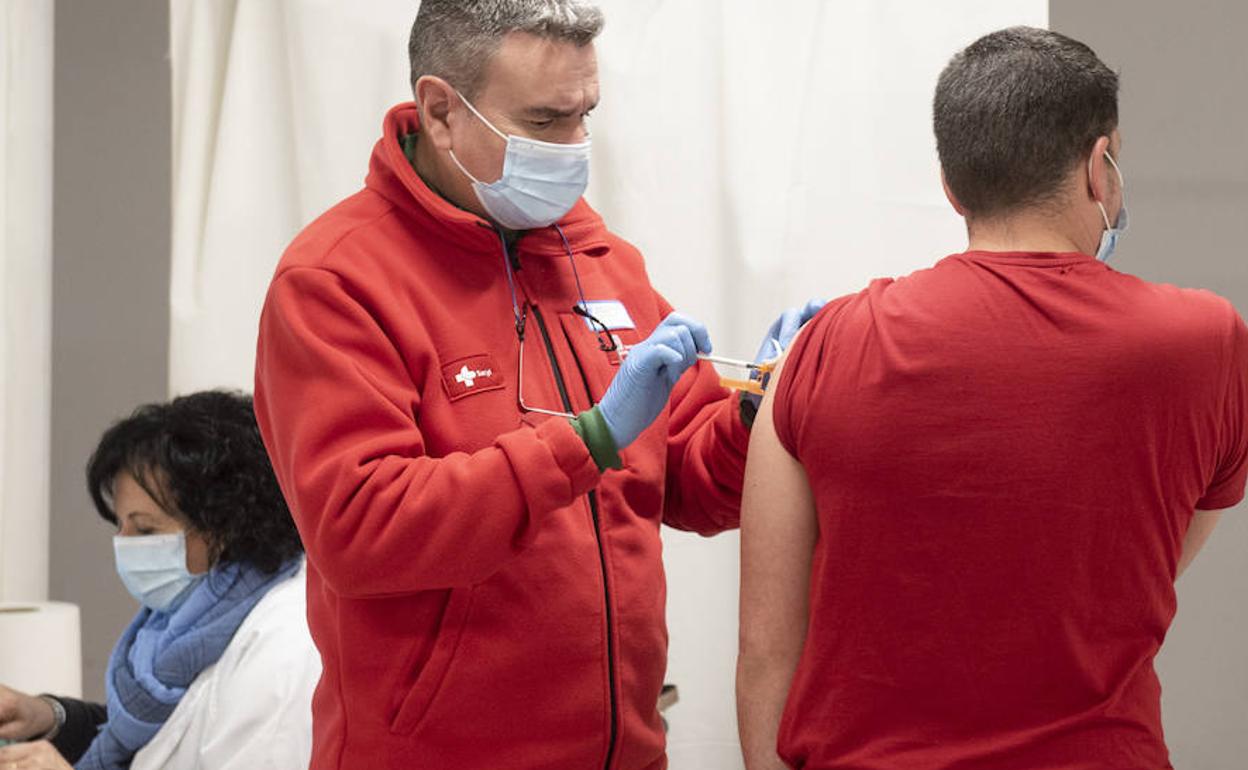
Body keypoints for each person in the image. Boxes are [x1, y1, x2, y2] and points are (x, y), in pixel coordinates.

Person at [253, 1, 821, 768]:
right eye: (547, 122)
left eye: (586, 114)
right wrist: (586, 439)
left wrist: (759, 413)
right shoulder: (336, 281)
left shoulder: (601, 260)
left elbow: (688, 481)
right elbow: (361, 531)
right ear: (441, 111)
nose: (577, 146)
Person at [737, 26, 1246, 770]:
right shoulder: (1208, 344)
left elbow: (765, 650)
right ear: (1100, 166)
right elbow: (1146, 563)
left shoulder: (822, 349)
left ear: (952, 185)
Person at [0, 391, 320, 770]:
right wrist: (49, 717)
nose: (123, 546)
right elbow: (140, 741)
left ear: (223, 526)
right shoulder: (180, 623)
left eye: (146, 530)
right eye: (120, 525)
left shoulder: (283, 642)